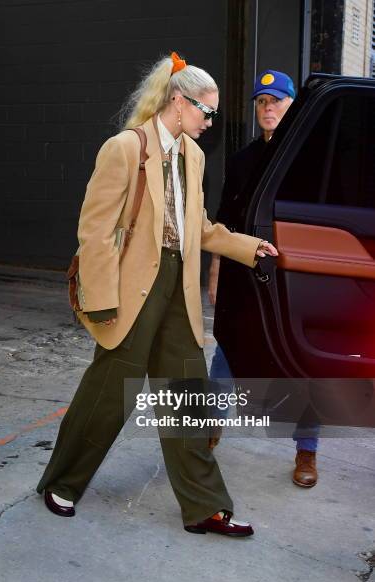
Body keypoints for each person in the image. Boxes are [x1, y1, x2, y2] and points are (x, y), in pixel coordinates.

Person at [36, 52, 278, 537]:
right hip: (130, 290)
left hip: (177, 289)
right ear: (176, 100)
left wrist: (251, 248)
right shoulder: (126, 148)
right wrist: (102, 297)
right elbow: (96, 229)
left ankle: (205, 506)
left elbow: (200, 229)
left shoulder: (194, 155)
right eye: (205, 112)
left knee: (189, 396)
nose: (211, 121)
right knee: (109, 396)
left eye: (213, 114)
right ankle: (62, 482)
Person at [209, 70, 319, 488]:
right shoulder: (241, 161)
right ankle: (209, 430)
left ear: (293, 107)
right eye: (261, 101)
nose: (268, 107)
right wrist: (217, 271)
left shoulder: (309, 161)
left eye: (276, 100)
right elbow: (223, 222)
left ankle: (306, 450)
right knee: (226, 355)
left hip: (293, 284)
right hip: (243, 279)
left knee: (303, 364)